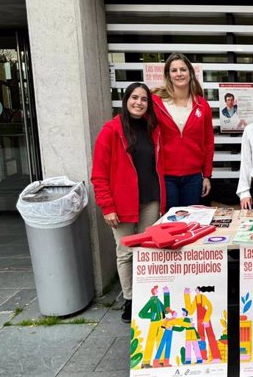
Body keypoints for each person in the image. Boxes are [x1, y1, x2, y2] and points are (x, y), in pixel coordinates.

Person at [91, 82, 165, 324]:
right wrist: (107, 206)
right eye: (135, 98)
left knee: (146, 251)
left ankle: (146, 295)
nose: (139, 103)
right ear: (126, 100)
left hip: (150, 200)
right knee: (125, 253)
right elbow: (99, 174)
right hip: (121, 204)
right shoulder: (111, 130)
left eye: (144, 99)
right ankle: (131, 299)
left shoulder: (153, 129)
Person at [152, 53, 214, 209]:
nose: (179, 73)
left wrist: (206, 176)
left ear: (190, 73)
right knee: (170, 223)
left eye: (183, 69)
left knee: (191, 224)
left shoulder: (202, 105)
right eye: (174, 70)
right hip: (166, 177)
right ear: (168, 75)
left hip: (193, 177)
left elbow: (208, 143)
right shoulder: (155, 102)